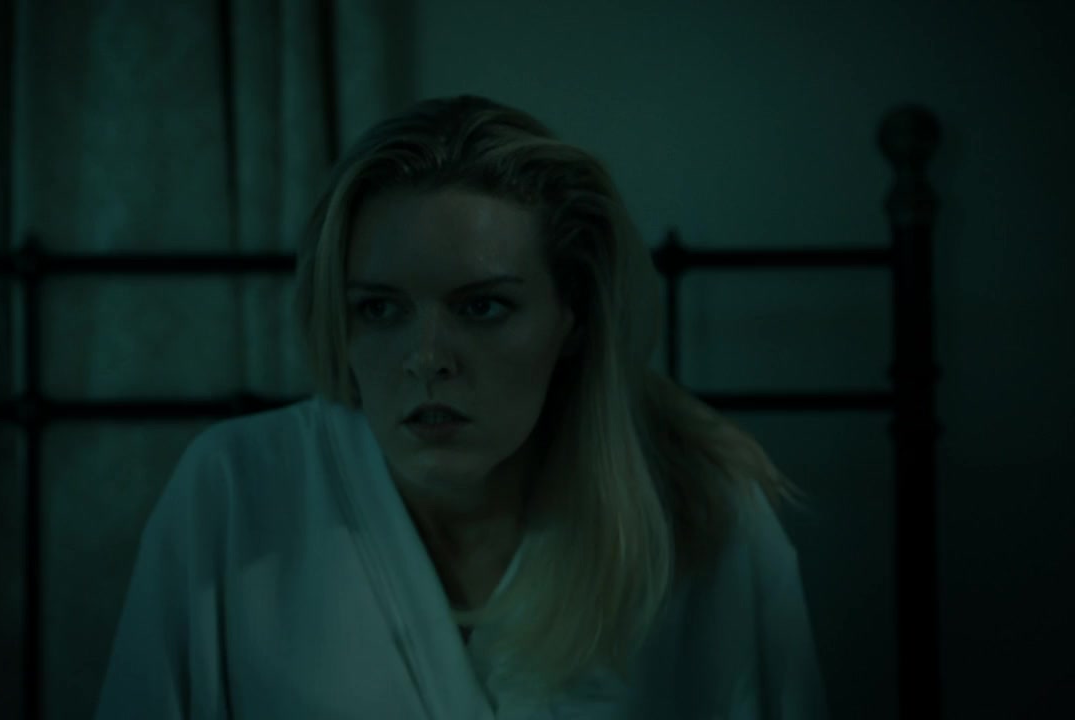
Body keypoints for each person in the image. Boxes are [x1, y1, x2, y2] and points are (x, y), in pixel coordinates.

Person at [93, 94, 830, 718]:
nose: (427, 358)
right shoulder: (237, 491)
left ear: (572, 316)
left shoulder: (700, 510)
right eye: (380, 309)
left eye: (481, 307)